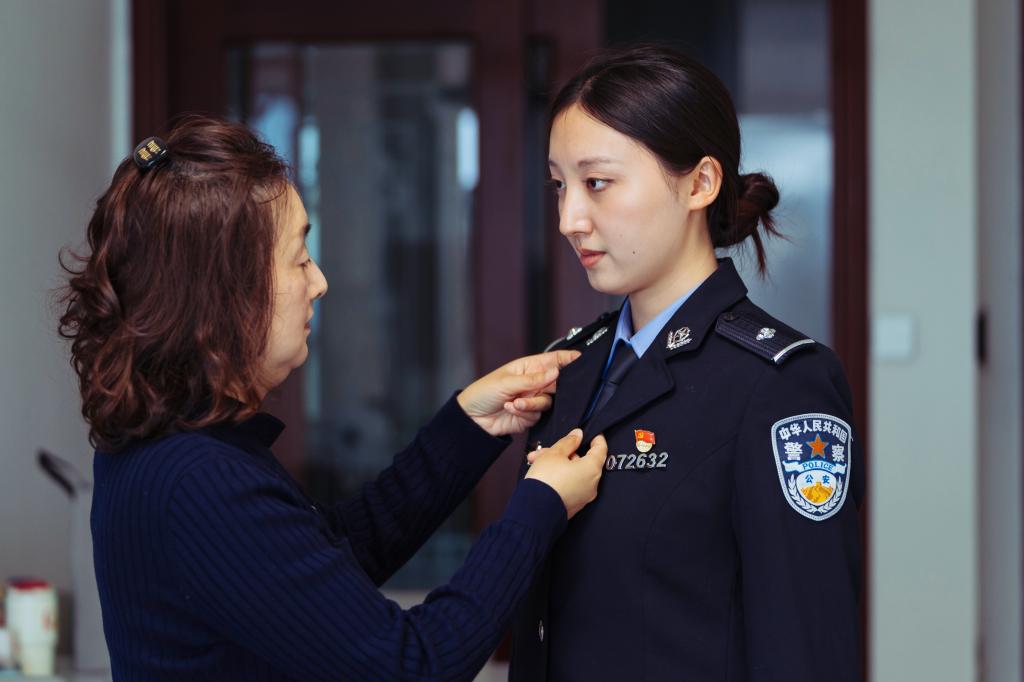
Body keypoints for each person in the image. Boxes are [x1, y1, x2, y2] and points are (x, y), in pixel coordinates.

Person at [57, 116, 608, 682]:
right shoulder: (199, 481)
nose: (318, 282)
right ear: (226, 295)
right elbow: (411, 668)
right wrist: (539, 506)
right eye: (299, 259)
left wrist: (469, 426)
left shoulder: (171, 447)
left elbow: (331, 564)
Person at [509, 45, 864, 681]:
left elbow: (806, 646)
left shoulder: (778, 383)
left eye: (596, 183)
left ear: (700, 183)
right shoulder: (573, 369)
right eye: (560, 186)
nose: (568, 219)